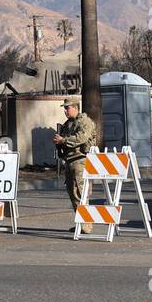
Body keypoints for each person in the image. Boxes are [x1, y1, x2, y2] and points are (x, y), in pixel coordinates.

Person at [53, 95, 96, 233]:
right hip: (70, 160)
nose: (65, 111)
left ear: (76, 108)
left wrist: (63, 141)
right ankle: (81, 223)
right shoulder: (67, 124)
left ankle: (86, 225)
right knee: (72, 193)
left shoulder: (84, 122)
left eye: (67, 108)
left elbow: (81, 138)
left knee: (81, 193)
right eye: (64, 108)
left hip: (81, 161)